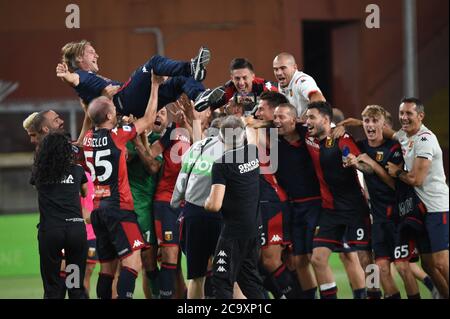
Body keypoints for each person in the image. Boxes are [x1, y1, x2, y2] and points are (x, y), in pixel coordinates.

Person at [83, 71, 163, 299]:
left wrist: (90, 106)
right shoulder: (117, 135)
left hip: (98, 210)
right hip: (119, 209)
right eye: (113, 109)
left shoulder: (88, 139)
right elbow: (148, 120)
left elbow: (89, 123)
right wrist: (155, 86)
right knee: (133, 263)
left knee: (107, 268)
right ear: (109, 115)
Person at [346, 105, 421, 299]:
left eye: (374, 121)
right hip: (377, 218)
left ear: (383, 124)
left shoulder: (394, 149)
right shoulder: (360, 146)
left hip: (398, 216)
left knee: (403, 267)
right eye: (366, 121)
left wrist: (371, 163)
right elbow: (347, 151)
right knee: (380, 268)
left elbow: (394, 185)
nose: (370, 125)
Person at [303, 101, 369, 299]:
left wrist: (356, 163)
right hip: (330, 211)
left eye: (312, 118)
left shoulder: (343, 139)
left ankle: (369, 295)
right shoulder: (309, 136)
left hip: (354, 210)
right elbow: (289, 122)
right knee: (318, 258)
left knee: (365, 260)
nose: (307, 122)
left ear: (325, 120)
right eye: (307, 118)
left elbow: (365, 165)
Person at [56, 40, 223, 117]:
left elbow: (88, 116)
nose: (97, 55)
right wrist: (65, 76)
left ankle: (199, 96)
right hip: (125, 99)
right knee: (154, 62)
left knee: (180, 80)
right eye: (91, 52)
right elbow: (74, 79)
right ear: (78, 58)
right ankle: (191, 67)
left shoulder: (88, 82)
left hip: (137, 106)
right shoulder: (82, 75)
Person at [384, 97, 449, 298]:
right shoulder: (404, 134)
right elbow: (389, 132)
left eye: (409, 113)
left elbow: (417, 179)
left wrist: (396, 172)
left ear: (420, 116)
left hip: (437, 207)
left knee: (440, 262)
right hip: (421, 209)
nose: (404, 117)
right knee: (428, 265)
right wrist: (359, 123)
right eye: (401, 113)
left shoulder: (425, 139)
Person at [204, 115, 266, 299]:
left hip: (233, 233)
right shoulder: (253, 152)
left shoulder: (222, 164)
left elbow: (215, 205)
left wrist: (205, 202)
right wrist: (245, 121)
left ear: (221, 138)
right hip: (253, 230)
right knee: (249, 280)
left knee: (222, 279)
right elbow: (251, 134)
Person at [254, 91, 303, 299]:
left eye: (261, 108)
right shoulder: (266, 132)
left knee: (269, 261)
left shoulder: (276, 136)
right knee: (273, 261)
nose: (256, 112)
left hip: (272, 202)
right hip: (266, 202)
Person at [171, 114, 224, 299]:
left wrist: (175, 202)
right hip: (220, 215)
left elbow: (182, 180)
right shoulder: (230, 150)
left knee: (196, 276)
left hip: (193, 214)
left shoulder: (194, 148)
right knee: (228, 275)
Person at [31, 132, 88, 299]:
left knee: (53, 288)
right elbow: (84, 193)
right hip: (75, 231)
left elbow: (37, 188)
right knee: (75, 286)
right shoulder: (77, 170)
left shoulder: (39, 172)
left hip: (51, 232)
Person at [202, 58, 278, 112]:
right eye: (237, 78)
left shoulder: (265, 87)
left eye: (245, 78)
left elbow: (282, 103)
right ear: (231, 78)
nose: (241, 83)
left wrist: (237, 99)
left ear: (253, 76)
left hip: (267, 129)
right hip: (237, 131)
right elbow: (204, 105)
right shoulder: (227, 90)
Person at [273, 52, 325, 119]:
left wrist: (303, 119)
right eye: (275, 69)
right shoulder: (281, 84)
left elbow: (320, 100)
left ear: (294, 67)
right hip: (298, 127)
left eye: (283, 68)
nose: (279, 73)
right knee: (265, 129)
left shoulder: (302, 81)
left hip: (317, 128)